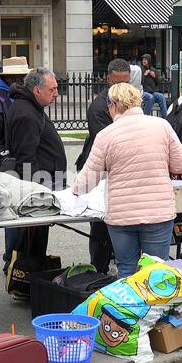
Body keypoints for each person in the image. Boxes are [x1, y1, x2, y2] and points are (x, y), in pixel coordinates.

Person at [74, 83, 182, 277]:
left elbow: (86, 182)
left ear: (112, 105)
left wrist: (72, 191)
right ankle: (156, 308)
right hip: (158, 212)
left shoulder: (105, 135)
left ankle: (128, 307)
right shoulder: (161, 126)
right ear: (138, 101)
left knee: (126, 269)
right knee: (156, 271)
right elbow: (181, 165)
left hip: (121, 215)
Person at [5, 67, 67, 264]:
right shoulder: (26, 113)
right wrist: (36, 195)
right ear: (37, 90)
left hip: (43, 183)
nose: (56, 93)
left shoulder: (31, 106)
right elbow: (26, 157)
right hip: (38, 187)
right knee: (32, 240)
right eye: (52, 89)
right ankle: (27, 275)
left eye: (57, 88)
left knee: (36, 239)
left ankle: (31, 268)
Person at [78, 59, 132, 273]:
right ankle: (98, 269)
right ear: (108, 79)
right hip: (102, 171)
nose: (122, 88)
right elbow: (107, 144)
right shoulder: (100, 107)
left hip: (121, 170)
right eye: (117, 83)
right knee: (100, 224)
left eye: (126, 82)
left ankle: (112, 260)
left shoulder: (129, 101)